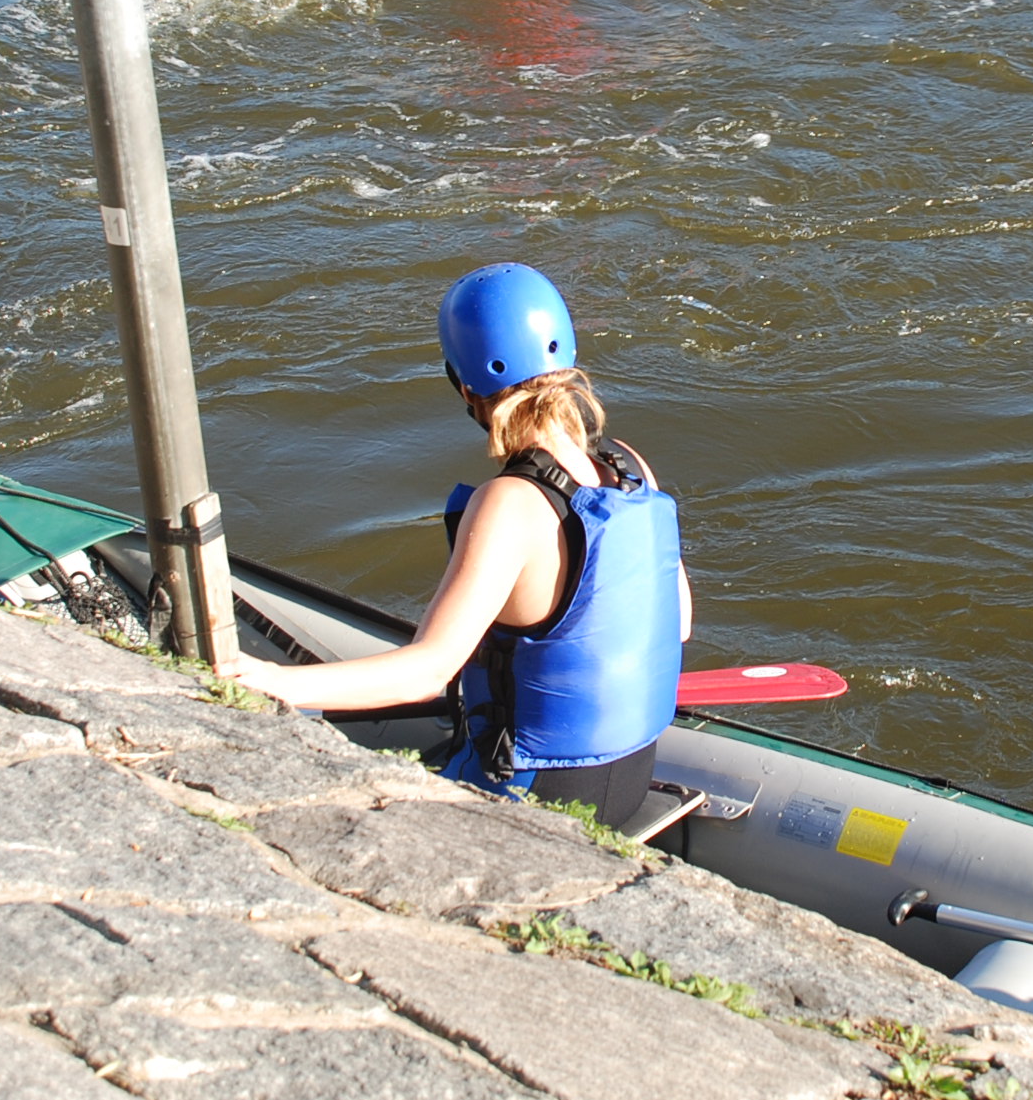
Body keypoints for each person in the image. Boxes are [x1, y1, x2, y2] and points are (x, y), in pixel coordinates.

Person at [219, 263, 688, 826]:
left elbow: (428, 672)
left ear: (464, 387)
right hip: (630, 776)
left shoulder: (509, 503)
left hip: (534, 793)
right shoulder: (629, 468)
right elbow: (678, 620)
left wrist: (270, 680)